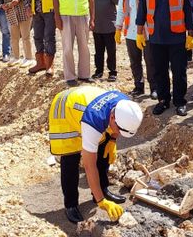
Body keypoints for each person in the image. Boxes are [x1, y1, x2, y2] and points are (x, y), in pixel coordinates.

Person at [48, 86, 143, 223]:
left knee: (103, 148)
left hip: (84, 100)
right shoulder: (92, 122)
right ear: (112, 117)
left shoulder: (125, 106)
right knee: (70, 158)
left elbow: (115, 130)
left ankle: (102, 189)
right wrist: (101, 202)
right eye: (119, 130)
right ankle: (71, 205)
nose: (119, 134)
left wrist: (112, 138)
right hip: (66, 108)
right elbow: (89, 165)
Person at [136, 0, 193, 116]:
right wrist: (140, 32)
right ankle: (163, 100)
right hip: (156, 38)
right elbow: (142, 10)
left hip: (177, 38)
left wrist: (191, 34)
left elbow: (188, 12)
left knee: (179, 72)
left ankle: (179, 101)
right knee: (159, 71)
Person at [49, 0, 95, 87]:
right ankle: (69, 76)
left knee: (84, 47)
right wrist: (57, 17)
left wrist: (92, 18)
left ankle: (84, 75)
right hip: (65, 16)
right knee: (67, 47)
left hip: (83, 16)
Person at [116, 0, 157, 98]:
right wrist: (118, 28)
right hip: (131, 32)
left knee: (151, 61)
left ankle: (154, 88)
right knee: (135, 62)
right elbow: (121, 9)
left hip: (148, 32)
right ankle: (138, 87)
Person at [91, 0, 119, 82]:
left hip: (110, 26)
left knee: (111, 51)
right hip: (97, 26)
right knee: (98, 51)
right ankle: (99, 71)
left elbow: (117, 1)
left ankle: (112, 72)